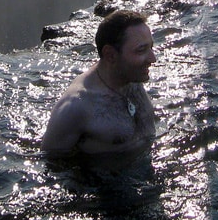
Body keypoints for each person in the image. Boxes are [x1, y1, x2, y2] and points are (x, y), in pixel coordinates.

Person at [41, 9, 158, 157]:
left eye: (151, 47)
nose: (153, 58)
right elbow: (50, 165)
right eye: (141, 51)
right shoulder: (76, 107)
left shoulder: (131, 76)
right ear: (110, 55)